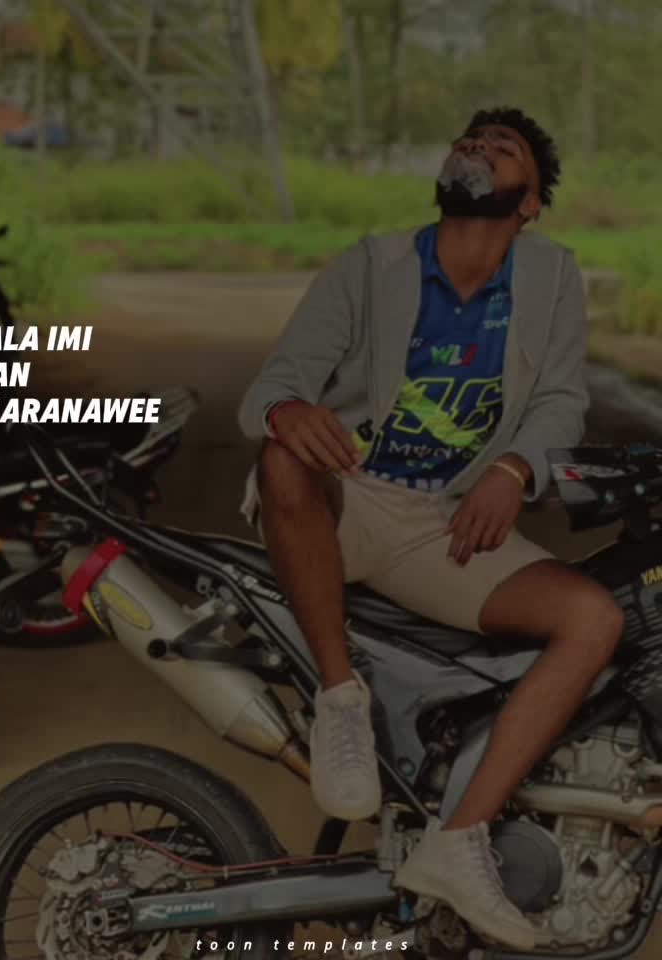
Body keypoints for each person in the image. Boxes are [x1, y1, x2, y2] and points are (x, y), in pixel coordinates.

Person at [237, 107, 625, 950]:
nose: (478, 148)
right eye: (470, 141)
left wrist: (513, 470)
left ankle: (458, 840)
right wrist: (289, 410)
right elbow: (274, 384)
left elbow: (562, 401)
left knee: (594, 618)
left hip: (437, 526)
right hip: (343, 499)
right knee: (282, 457)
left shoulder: (552, 278)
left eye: (503, 148)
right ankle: (342, 702)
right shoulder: (371, 266)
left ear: (529, 203)